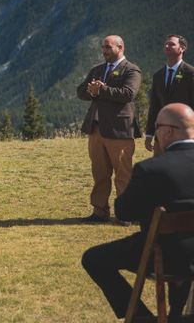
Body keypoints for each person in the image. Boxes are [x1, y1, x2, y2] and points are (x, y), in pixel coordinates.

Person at [82, 103, 194, 318]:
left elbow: (124, 212)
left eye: (157, 127)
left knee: (94, 259)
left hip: (164, 255)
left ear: (167, 131)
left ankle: (143, 319)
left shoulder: (152, 169)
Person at [77, 35, 142, 224]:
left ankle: (126, 213)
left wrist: (102, 90)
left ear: (120, 47)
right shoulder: (97, 70)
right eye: (103, 47)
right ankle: (99, 212)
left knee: (123, 173)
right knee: (99, 172)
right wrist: (91, 90)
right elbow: (80, 92)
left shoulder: (131, 70)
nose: (104, 51)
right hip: (96, 129)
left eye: (108, 47)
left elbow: (129, 94)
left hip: (119, 129)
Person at [145, 35, 194, 154]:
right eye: (166, 44)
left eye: (171, 44)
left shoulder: (190, 73)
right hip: (161, 134)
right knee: (160, 169)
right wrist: (149, 133)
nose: (167, 46)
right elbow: (154, 106)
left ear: (182, 48)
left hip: (184, 134)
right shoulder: (158, 75)